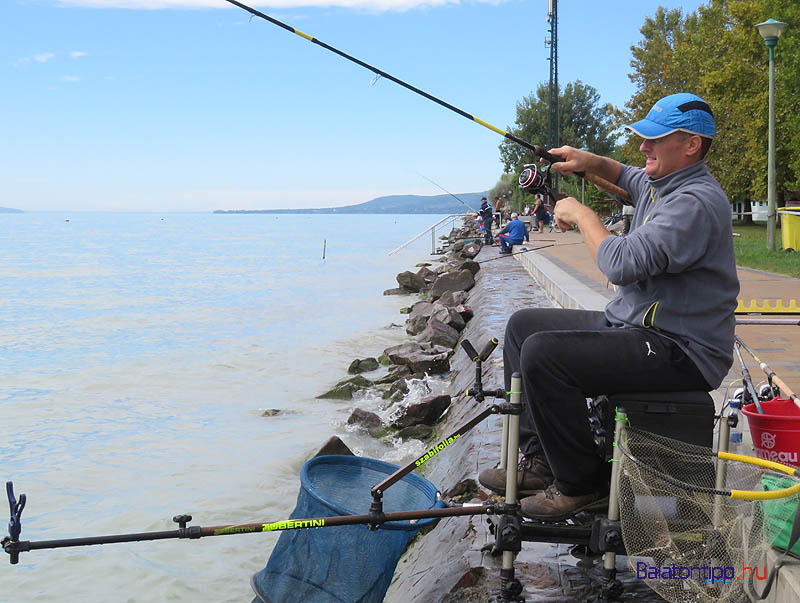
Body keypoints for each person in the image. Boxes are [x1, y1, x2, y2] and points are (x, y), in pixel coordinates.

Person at [478, 93, 739, 521]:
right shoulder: (665, 184)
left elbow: (620, 264)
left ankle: (582, 484)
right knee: (523, 327)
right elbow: (625, 174)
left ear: (691, 144)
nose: (643, 147)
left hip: (682, 350)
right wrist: (586, 160)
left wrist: (582, 216)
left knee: (545, 355)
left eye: (655, 139)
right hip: (637, 328)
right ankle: (541, 459)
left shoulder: (694, 203)